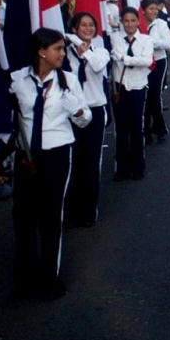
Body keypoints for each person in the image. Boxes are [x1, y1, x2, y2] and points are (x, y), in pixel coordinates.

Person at [9, 27, 92, 300]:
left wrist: (75, 109)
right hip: (26, 156)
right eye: (57, 49)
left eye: (62, 48)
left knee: (50, 216)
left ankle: (49, 278)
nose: (62, 54)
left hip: (57, 153)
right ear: (41, 51)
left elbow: (86, 118)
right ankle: (25, 280)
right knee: (22, 217)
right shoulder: (18, 79)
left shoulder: (68, 80)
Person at [63, 12, 110, 228]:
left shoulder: (100, 52)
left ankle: (89, 210)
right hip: (72, 113)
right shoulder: (65, 53)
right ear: (74, 28)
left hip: (95, 111)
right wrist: (73, 44)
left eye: (91, 25)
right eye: (83, 25)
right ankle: (70, 211)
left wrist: (85, 50)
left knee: (91, 162)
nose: (88, 28)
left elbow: (98, 66)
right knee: (73, 162)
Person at [109, 7, 153, 180]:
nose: (129, 24)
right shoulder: (114, 38)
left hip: (137, 86)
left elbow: (146, 60)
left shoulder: (146, 39)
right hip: (120, 88)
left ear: (138, 21)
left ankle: (138, 167)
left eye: (133, 20)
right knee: (121, 128)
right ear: (121, 22)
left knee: (136, 127)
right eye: (126, 21)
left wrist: (123, 58)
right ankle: (122, 168)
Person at [142, 0, 170, 144]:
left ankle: (160, 128)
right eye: (151, 9)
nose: (154, 11)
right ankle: (146, 130)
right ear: (143, 10)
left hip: (158, 62)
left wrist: (150, 42)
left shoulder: (161, 24)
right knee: (145, 97)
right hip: (143, 63)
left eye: (156, 9)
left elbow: (167, 44)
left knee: (155, 95)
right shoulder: (138, 24)